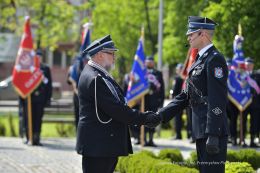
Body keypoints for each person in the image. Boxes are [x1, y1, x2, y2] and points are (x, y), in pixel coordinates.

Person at [76, 35, 161, 173]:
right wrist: (144, 118)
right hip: (99, 145)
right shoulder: (95, 78)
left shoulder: (98, 74)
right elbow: (116, 109)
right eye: (111, 53)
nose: (114, 57)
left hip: (101, 144)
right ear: (99, 55)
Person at [157, 16, 229, 173]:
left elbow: (217, 99)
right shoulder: (199, 59)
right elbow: (185, 95)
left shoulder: (214, 59)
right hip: (201, 130)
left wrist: (213, 133)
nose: (188, 37)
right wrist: (160, 116)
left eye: (191, 34)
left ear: (202, 34)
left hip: (211, 132)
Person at [21, 49, 52, 145]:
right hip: (30, 98)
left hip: (40, 98)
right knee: (28, 118)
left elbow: (49, 85)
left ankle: (36, 138)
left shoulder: (45, 68)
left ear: (42, 57)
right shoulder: (29, 68)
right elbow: (23, 83)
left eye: (39, 56)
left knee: (38, 119)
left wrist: (48, 99)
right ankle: (28, 137)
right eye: (36, 56)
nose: (38, 58)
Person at [144, 56, 165, 147]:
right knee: (143, 119)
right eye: (148, 62)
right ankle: (143, 139)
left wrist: (161, 101)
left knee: (153, 119)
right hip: (144, 100)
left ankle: (151, 140)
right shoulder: (142, 73)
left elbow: (162, 88)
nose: (149, 63)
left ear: (153, 63)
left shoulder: (158, 73)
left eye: (151, 62)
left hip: (154, 100)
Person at [67, 55, 87, 130]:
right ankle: (77, 131)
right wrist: (72, 80)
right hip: (76, 95)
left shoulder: (86, 69)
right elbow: (68, 81)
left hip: (84, 95)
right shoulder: (72, 69)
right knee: (77, 115)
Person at [244, 57, 260, 147]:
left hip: (255, 103)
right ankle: (242, 140)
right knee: (244, 121)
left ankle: (252, 140)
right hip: (244, 103)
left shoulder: (257, 75)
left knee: (254, 122)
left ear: (253, 65)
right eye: (247, 65)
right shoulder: (241, 75)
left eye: (250, 64)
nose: (249, 66)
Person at [171, 63, 184, 140]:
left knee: (177, 118)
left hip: (178, 99)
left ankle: (178, 134)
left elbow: (174, 89)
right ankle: (189, 135)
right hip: (185, 99)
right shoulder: (185, 78)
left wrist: (171, 95)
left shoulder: (177, 78)